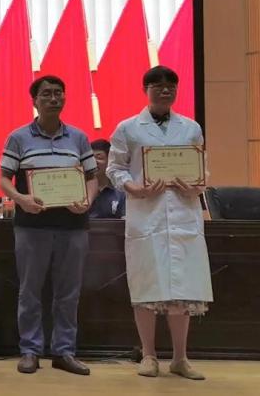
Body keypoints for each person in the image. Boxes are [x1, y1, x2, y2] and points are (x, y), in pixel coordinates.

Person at [106, 66, 212, 380]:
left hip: (183, 214)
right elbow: (114, 168)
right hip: (146, 215)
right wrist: (133, 187)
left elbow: (201, 168)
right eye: (158, 85)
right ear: (146, 90)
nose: (165, 90)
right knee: (146, 288)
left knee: (182, 289)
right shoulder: (128, 128)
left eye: (170, 85)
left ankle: (180, 358)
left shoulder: (190, 127)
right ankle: (149, 355)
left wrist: (196, 186)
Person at [0, 75, 98, 376]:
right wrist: (21, 199)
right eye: (46, 94)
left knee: (68, 293)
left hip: (73, 226)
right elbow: (3, 179)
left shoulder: (78, 137)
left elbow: (92, 178)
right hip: (32, 225)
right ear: (35, 101)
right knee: (30, 291)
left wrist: (87, 201)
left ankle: (64, 351)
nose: (53, 98)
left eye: (58, 93)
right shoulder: (18, 137)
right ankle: (30, 350)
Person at [88, 139, 126, 219]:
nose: (94, 162)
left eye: (99, 157)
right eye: (91, 158)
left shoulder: (121, 190)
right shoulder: (81, 190)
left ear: (110, 160)